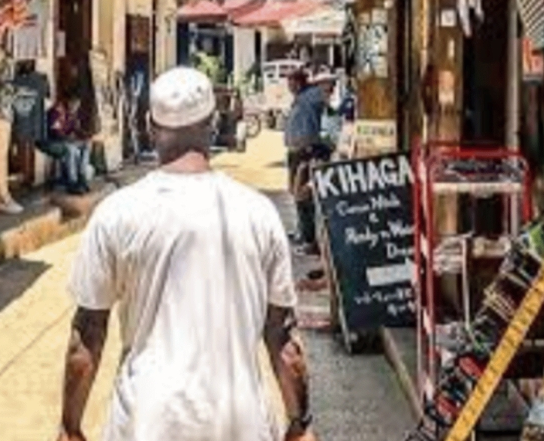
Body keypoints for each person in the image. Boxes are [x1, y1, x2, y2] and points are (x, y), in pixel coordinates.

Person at [59, 67, 317, 441]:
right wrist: (300, 422)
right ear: (213, 124)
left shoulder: (117, 213)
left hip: (143, 423)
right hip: (241, 424)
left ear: (149, 126)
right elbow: (283, 338)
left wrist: (70, 426)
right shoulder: (259, 213)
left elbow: (87, 334)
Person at [283, 68, 329, 253]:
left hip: (306, 151)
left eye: (292, 82)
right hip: (296, 151)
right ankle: (302, 232)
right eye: (288, 82)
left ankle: (310, 239)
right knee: (296, 194)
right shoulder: (300, 98)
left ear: (300, 82)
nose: (289, 86)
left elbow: (326, 109)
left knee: (304, 196)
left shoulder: (311, 96)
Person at [40, 94, 92, 195]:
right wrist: (70, 140)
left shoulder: (72, 114)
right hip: (49, 142)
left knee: (86, 145)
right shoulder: (57, 111)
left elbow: (75, 130)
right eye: (74, 103)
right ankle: (72, 183)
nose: (76, 107)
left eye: (78, 104)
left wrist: (85, 135)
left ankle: (81, 178)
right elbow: (56, 134)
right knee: (71, 149)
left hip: (63, 142)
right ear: (68, 101)